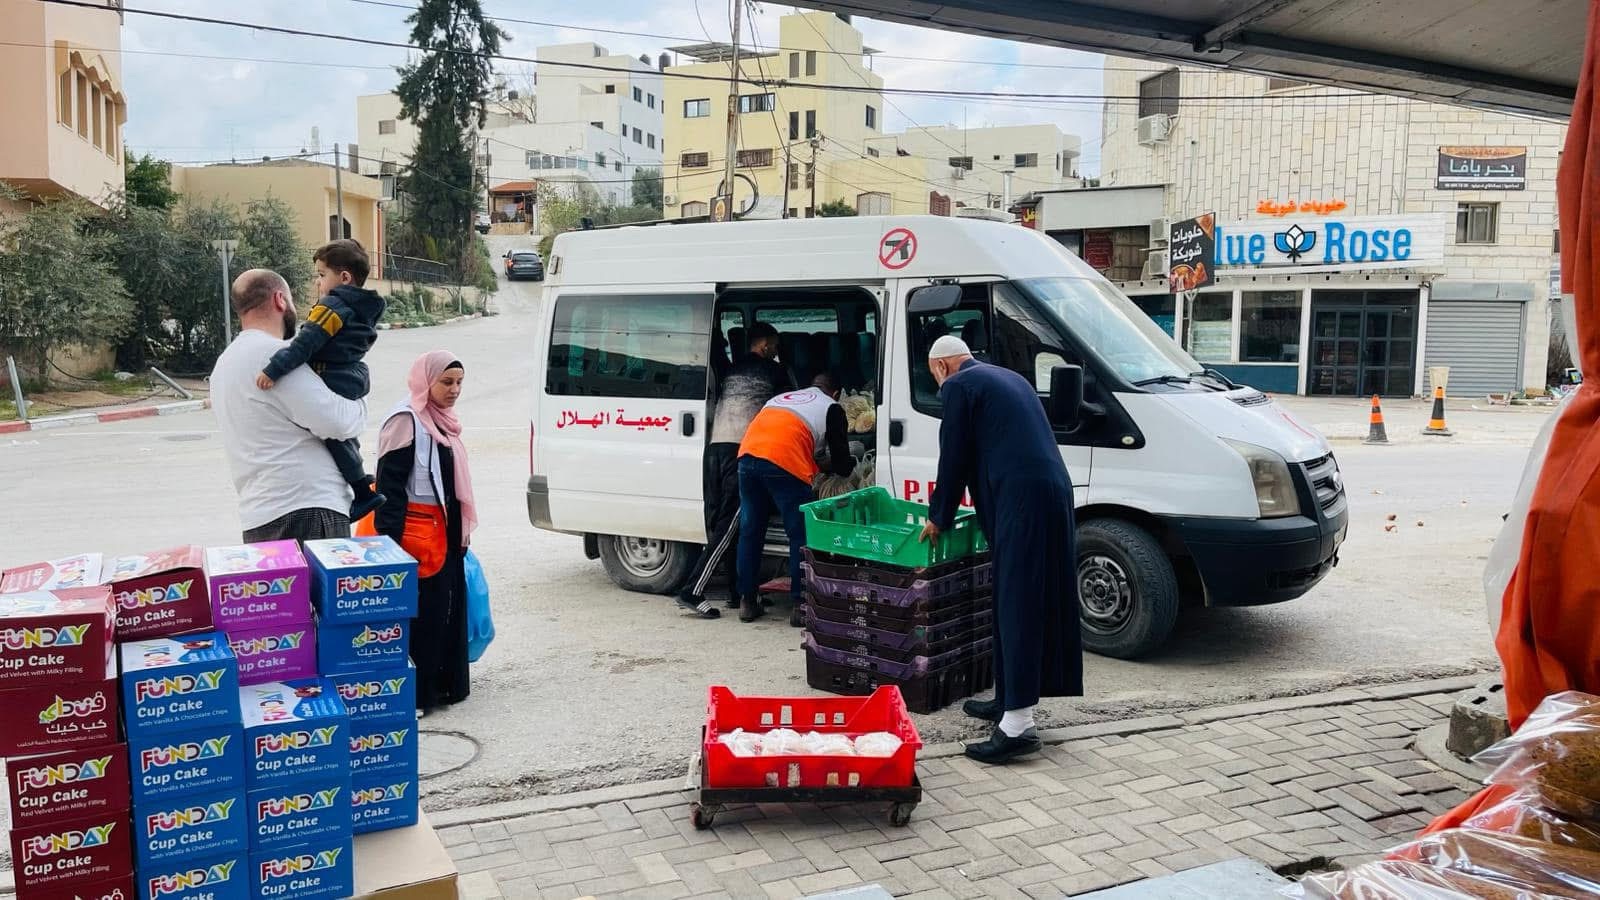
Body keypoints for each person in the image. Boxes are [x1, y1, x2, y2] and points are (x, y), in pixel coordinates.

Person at [919, 335, 1082, 765]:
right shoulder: (1008, 378)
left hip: (1022, 499)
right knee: (1020, 596)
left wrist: (938, 516)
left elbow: (953, 455)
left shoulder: (958, 385)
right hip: (1051, 491)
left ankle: (1018, 727)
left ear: (941, 366)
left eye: (934, 375)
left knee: (1018, 601)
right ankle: (1008, 698)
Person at [212, 269, 369, 543]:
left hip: (258, 518)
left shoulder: (224, 365)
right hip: (307, 510)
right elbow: (338, 423)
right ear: (280, 300)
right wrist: (360, 396)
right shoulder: (274, 355)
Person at [373, 351, 477, 713]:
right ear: (425, 381)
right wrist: (390, 546)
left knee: (446, 610)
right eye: (446, 382)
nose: (454, 390)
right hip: (416, 536)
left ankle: (447, 686)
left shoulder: (445, 421)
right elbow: (389, 488)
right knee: (423, 616)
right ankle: (418, 696)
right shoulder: (406, 421)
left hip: (446, 532)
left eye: (459, 382)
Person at [255, 239, 387, 521]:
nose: (318, 281)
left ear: (345, 277)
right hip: (350, 373)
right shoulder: (362, 307)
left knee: (332, 432)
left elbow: (306, 343)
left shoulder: (333, 306)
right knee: (342, 434)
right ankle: (360, 479)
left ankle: (362, 491)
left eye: (322, 274)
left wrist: (273, 370)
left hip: (332, 373)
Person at [677, 323, 791, 619]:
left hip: (714, 449)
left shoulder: (732, 368)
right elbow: (788, 408)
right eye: (774, 346)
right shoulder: (774, 371)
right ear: (764, 345)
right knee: (728, 527)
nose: (776, 351)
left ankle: (736, 592)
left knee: (724, 524)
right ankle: (692, 590)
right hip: (740, 450)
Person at [734, 373, 854, 623]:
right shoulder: (832, 407)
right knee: (799, 534)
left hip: (747, 457)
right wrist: (849, 460)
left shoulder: (781, 399)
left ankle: (747, 601)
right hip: (785, 462)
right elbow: (842, 465)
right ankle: (800, 606)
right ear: (836, 394)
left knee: (750, 532)